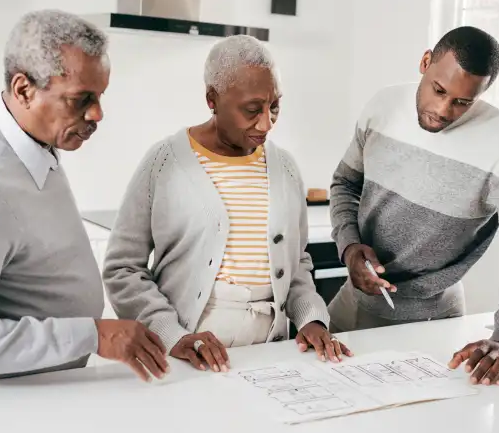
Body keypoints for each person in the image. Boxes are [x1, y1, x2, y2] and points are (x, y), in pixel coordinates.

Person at [0, 10, 169, 389]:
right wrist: (95, 336)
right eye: (80, 99)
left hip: (31, 394)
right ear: (23, 90)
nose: (97, 113)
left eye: (99, 96)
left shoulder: (33, 144)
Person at [102, 35, 351, 372]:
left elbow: (298, 263)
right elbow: (123, 269)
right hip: (188, 353)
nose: (266, 123)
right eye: (252, 109)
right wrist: (171, 335)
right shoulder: (165, 162)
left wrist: (311, 318)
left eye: (274, 106)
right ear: (212, 100)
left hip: (271, 352)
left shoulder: (286, 168)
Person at [327, 26, 499, 387]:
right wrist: (349, 247)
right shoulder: (381, 107)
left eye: (463, 102)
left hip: (433, 325)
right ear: (425, 61)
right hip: (347, 308)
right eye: (438, 90)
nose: (443, 110)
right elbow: (345, 184)